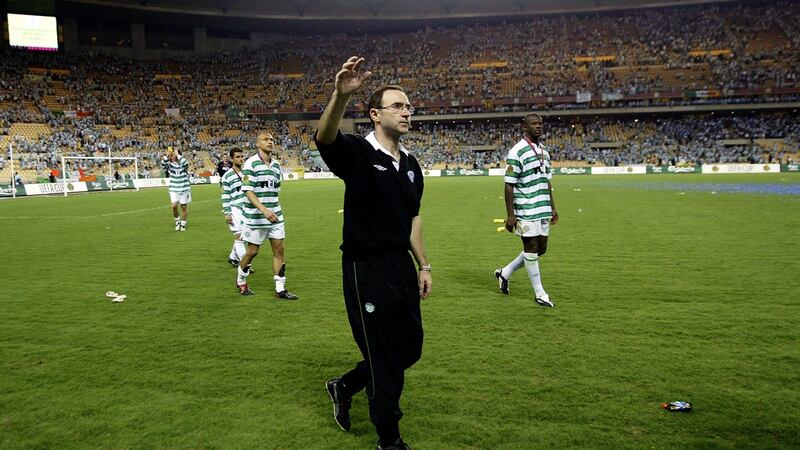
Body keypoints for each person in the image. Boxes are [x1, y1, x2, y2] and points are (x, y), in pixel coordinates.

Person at [315, 56, 432, 450]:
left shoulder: (412, 165)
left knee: (409, 347)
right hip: (365, 267)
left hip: (400, 266)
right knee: (382, 354)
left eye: (409, 106)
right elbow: (325, 138)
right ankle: (389, 438)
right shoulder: (358, 154)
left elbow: (413, 218)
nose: (407, 111)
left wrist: (424, 264)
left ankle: (345, 385)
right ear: (375, 114)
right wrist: (340, 96)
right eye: (397, 106)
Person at [494, 113, 559, 307]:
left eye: (540, 124)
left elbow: (547, 180)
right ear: (525, 127)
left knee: (541, 250)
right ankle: (540, 293)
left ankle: (505, 272)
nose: (538, 126)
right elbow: (509, 184)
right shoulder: (517, 151)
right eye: (534, 124)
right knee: (531, 249)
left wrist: (553, 207)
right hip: (525, 208)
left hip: (542, 207)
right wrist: (510, 215)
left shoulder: (544, 150)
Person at [236, 131, 298, 299]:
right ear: (258, 144)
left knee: (279, 250)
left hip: (275, 215)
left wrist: (271, 209)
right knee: (252, 252)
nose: (270, 141)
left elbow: (276, 189)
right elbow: (248, 191)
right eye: (265, 139)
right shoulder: (251, 164)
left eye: (271, 139)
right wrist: (264, 210)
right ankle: (241, 280)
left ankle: (280, 289)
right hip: (256, 217)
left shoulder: (276, 165)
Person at [221, 147, 246, 267]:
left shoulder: (247, 173)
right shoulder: (227, 176)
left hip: (247, 209)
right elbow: (225, 195)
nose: (241, 159)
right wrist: (227, 213)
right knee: (239, 237)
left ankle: (232, 257)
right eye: (237, 157)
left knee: (244, 237)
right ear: (232, 159)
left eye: (242, 156)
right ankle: (245, 265)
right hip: (235, 209)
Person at [161, 147, 191, 231]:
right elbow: (162, 164)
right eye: (173, 154)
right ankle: (177, 221)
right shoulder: (170, 164)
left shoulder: (183, 163)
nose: (173, 156)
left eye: (175, 154)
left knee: (183, 207)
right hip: (174, 188)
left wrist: (178, 155)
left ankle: (183, 224)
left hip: (184, 188)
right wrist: (167, 156)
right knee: (174, 206)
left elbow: (186, 163)